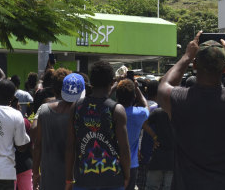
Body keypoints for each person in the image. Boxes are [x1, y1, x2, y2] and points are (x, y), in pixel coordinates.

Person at [157, 31, 225, 190]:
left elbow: (163, 87)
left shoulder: (178, 99)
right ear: (224, 68)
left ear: (195, 65)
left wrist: (187, 56)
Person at [65, 61, 130, 190]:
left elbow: (70, 146)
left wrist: (68, 178)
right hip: (112, 179)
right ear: (112, 82)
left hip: (83, 179)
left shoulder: (76, 107)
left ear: (91, 83)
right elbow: (124, 149)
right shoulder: (117, 110)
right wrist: (127, 176)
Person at [33, 70, 84, 190]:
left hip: (48, 178)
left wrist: (35, 173)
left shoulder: (44, 110)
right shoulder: (81, 114)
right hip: (73, 178)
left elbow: (37, 144)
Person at [115, 78, 149, 190]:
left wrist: (115, 85)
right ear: (134, 97)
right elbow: (146, 105)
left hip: (111, 163)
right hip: (131, 164)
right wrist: (137, 89)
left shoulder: (110, 112)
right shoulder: (139, 113)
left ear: (117, 97)